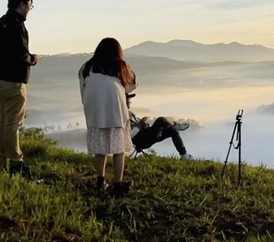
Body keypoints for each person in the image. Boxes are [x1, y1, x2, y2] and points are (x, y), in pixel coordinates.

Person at [0, 0, 40, 176]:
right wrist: (32, 59)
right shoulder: (17, 25)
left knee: (4, 121)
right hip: (13, 82)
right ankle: (16, 163)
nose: (29, 10)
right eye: (29, 6)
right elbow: (20, 54)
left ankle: (3, 160)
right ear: (23, 4)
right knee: (13, 123)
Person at [79, 37, 136, 197]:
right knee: (118, 150)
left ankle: (100, 179)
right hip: (115, 111)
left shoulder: (87, 67)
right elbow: (131, 85)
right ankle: (118, 184)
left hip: (95, 111)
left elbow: (83, 91)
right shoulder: (120, 66)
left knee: (100, 148)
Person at [129, 110, 194, 160]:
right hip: (142, 140)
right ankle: (175, 124)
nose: (129, 101)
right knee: (161, 120)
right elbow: (130, 133)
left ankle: (184, 155)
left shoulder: (130, 113)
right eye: (128, 98)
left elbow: (138, 125)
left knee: (172, 130)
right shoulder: (124, 115)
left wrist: (143, 123)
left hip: (146, 134)